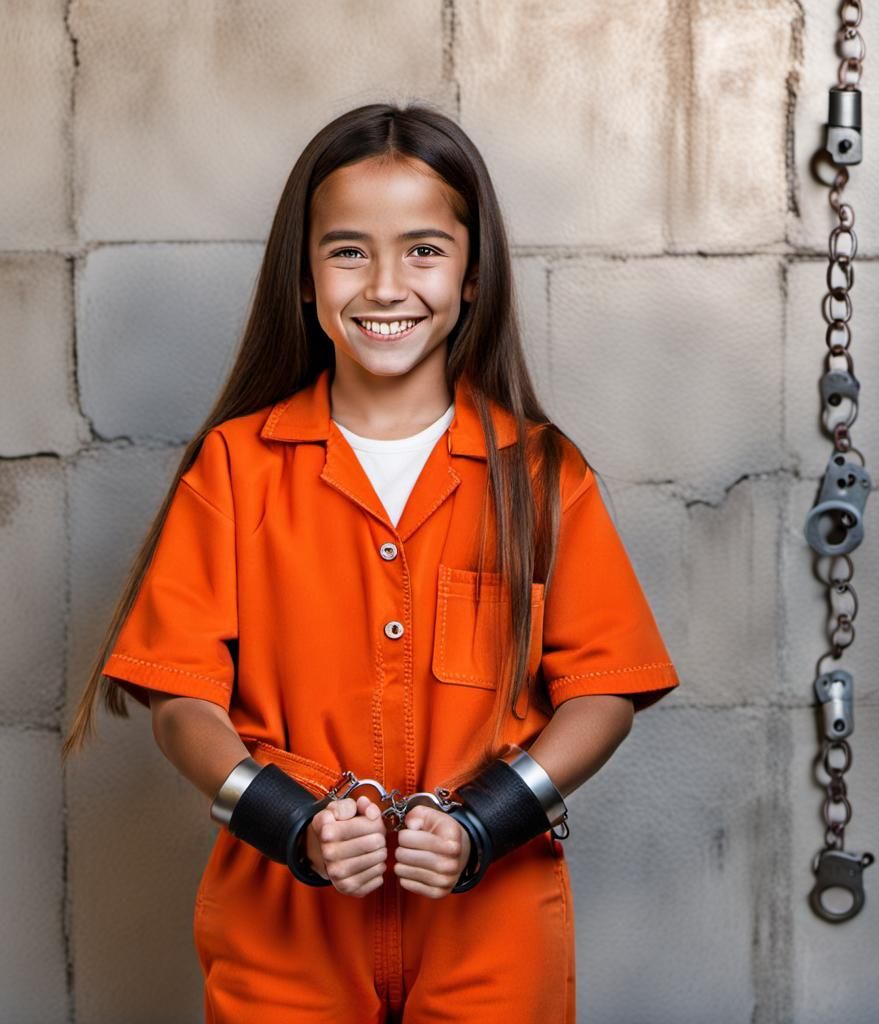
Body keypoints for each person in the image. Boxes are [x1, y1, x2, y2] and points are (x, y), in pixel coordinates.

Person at [62, 101, 680, 1024]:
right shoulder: (235, 467)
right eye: (349, 250)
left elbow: (605, 690)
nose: (387, 285)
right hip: (282, 923)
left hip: (495, 920)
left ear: (473, 276)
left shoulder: (545, 475)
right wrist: (287, 821)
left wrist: (485, 821)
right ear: (304, 281)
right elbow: (180, 700)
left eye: (425, 250)